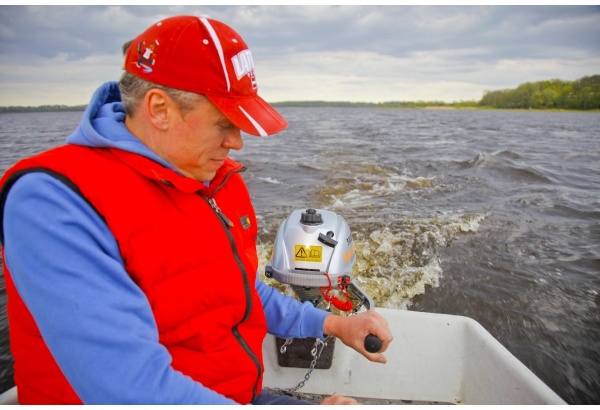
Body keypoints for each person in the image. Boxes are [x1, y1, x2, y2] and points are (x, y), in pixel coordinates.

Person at [0, 15, 392, 405]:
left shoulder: (216, 177)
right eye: (224, 123)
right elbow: (128, 385)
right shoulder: (54, 199)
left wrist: (333, 323)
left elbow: (238, 290)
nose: (237, 143)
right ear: (159, 109)